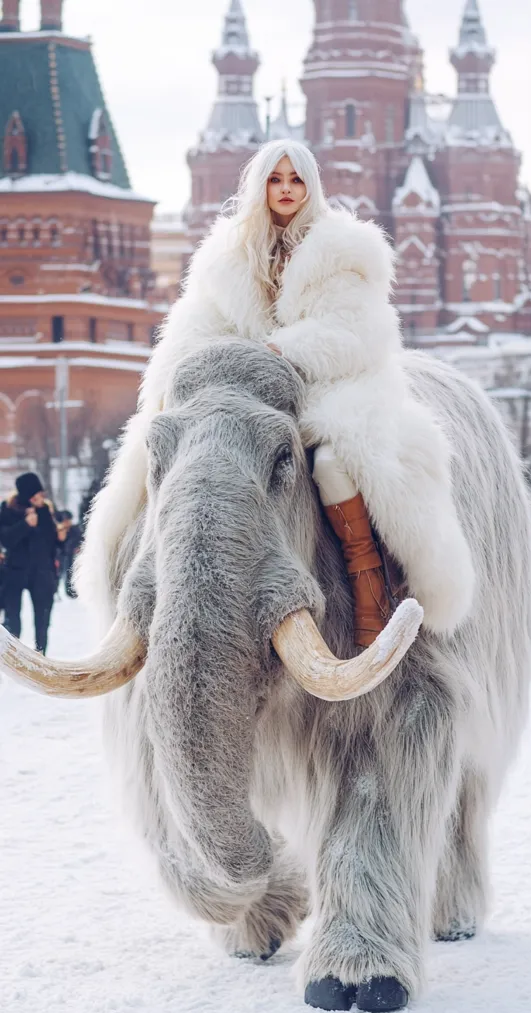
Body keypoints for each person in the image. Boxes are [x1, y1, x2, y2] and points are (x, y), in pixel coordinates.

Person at [78, 139, 474, 645]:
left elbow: (356, 333)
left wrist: (279, 351)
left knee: (334, 463)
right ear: (259, 186)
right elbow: (194, 331)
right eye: (275, 179)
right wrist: (211, 372)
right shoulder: (226, 257)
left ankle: (370, 583)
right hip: (242, 398)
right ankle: (145, 586)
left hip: (324, 389)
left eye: (296, 179)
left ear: (311, 187)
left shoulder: (342, 251)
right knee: (171, 461)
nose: (286, 189)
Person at [0, 472, 59, 654]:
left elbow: (52, 541)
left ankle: (40, 655)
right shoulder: (8, 510)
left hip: (41, 572)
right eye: (34, 495)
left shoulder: (46, 510)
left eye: (40, 494)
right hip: (15, 571)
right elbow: (6, 540)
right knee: (12, 619)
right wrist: (25, 524)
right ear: (25, 496)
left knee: (42, 619)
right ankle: (10, 655)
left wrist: (42, 513)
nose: (39, 498)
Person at [55, 509, 83, 598]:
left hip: (73, 556)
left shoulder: (76, 530)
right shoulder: (60, 531)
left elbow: (81, 540)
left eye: (68, 520)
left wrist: (78, 548)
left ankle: (72, 591)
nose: (67, 522)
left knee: (72, 573)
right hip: (62, 556)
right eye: (65, 520)